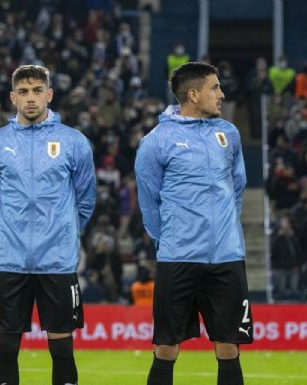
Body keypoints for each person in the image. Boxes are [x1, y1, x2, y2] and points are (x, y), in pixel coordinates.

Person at [135, 62, 252, 385]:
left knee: (229, 347)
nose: (222, 94)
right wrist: (170, 239)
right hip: (178, 257)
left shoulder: (228, 133)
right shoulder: (156, 141)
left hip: (227, 257)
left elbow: (237, 188)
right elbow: (149, 203)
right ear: (193, 94)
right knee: (166, 348)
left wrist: (227, 230)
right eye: (215, 88)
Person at [0, 65, 96, 385]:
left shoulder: (74, 142)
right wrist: (13, 226)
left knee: (61, 349)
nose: (31, 98)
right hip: (10, 259)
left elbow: (85, 200)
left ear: (49, 94)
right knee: (5, 347)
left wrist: (64, 231)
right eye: (24, 92)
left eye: (37, 91)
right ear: (13, 97)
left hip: (57, 260)